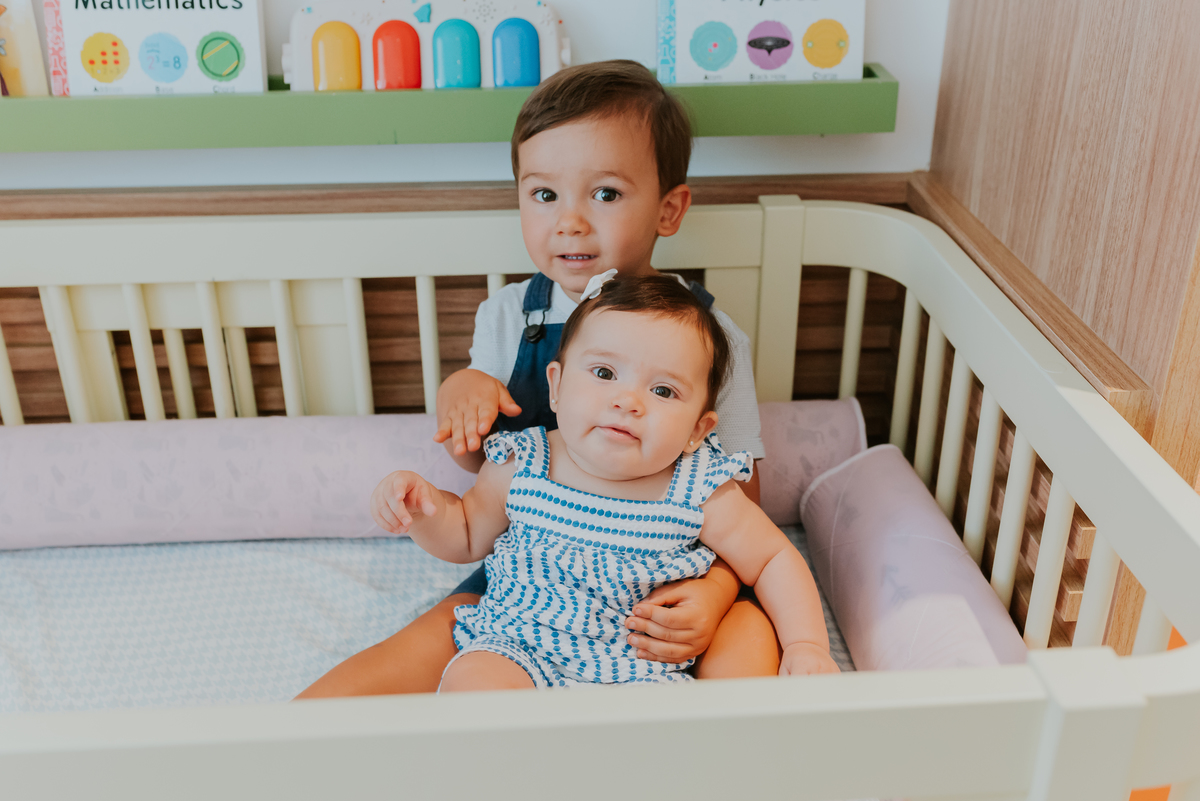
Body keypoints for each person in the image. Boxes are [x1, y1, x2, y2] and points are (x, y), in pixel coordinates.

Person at [296, 61, 776, 699]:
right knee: (408, 657)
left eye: (604, 194)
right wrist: (461, 395)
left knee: (750, 636)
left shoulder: (712, 338)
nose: (570, 221)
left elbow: (746, 496)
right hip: (535, 570)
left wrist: (713, 592)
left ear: (669, 208)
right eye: (544, 194)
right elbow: (479, 471)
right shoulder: (507, 317)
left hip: (661, 576)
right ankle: (284, 743)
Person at [374, 275, 838, 690]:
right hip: (518, 647)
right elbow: (467, 534)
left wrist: (806, 644)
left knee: (675, 745)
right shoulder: (523, 460)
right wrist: (422, 508)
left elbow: (774, 558)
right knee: (475, 685)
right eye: (604, 373)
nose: (627, 401)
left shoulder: (700, 487)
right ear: (555, 387)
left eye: (662, 391)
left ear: (698, 429)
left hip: (642, 669)